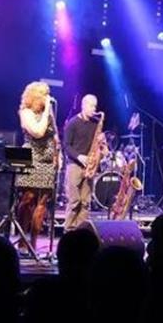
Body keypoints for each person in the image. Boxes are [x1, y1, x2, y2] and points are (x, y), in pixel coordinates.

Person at [15, 82, 60, 253]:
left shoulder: (48, 113)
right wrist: (48, 109)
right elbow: (38, 132)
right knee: (28, 199)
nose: (47, 97)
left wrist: (58, 156)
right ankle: (22, 240)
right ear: (34, 96)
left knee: (42, 201)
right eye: (44, 94)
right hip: (32, 158)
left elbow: (54, 135)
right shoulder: (26, 113)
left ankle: (33, 243)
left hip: (47, 161)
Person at [62, 94, 106, 231]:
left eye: (95, 106)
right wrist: (79, 156)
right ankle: (68, 231)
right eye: (91, 106)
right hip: (75, 165)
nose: (94, 109)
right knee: (74, 201)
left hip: (89, 167)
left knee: (86, 203)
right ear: (83, 105)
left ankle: (80, 232)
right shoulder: (72, 123)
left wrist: (102, 143)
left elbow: (99, 146)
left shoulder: (95, 123)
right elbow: (66, 145)